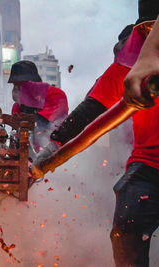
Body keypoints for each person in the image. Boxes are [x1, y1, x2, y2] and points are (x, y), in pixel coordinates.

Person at [31, 3, 159, 266]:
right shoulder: (127, 66)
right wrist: (51, 149)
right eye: (146, 30)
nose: (151, 35)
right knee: (126, 224)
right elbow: (89, 111)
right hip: (149, 163)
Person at [8, 60, 68, 152]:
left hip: (56, 150)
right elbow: (17, 136)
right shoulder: (17, 106)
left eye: (21, 85)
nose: (17, 89)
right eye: (15, 85)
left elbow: (50, 127)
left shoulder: (56, 95)